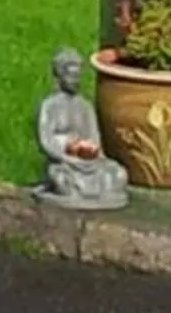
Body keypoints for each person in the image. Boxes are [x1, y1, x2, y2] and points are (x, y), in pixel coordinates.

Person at [37, 48, 128, 208]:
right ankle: (70, 189)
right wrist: (66, 155)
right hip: (64, 161)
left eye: (78, 76)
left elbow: (94, 138)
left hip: (89, 162)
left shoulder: (85, 106)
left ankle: (101, 190)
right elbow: (46, 140)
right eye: (70, 76)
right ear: (59, 77)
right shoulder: (50, 106)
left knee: (118, 174)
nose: (75, 81)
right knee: (60, 178)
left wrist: (90, 153)